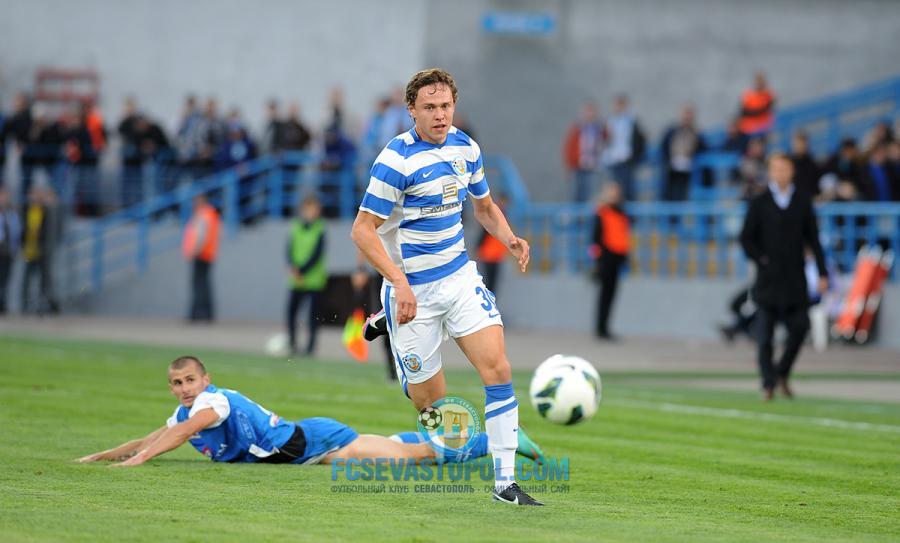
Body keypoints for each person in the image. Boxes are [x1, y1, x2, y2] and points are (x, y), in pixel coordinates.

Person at [350, 68, 542, 506]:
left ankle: (505, 484)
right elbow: (362, 230)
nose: (439, 115)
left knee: (498, 369)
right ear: (412, 110)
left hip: (458, 279)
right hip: (411, 291)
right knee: (431, 407)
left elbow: (484, 207)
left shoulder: (466, 148)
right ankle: (391, 323)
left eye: (446, 106)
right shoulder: (395, 160)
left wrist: (509, 238)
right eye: (430, 107)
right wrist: (399, 284)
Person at [77, 356, 545, 467]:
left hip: (308, 442)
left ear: (204, 380)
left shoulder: (211, 403)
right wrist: (104, 456)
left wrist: (140, 462)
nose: (183, 389)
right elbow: (152, 437)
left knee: (410, 457)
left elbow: (179, 436)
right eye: (177, 383)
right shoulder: (188, 410)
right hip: (304, 445)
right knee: (390, 449)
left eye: (189, 381)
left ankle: (499, 441)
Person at [740, 152, 828, 401]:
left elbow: (813, 239)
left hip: (794, 279)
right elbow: (746, 238)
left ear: (792, 172)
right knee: (765, 337)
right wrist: (762, 259)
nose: (781, 174)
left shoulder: (802, 201)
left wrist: (822, 272)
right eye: (776, 169)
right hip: (768, 281)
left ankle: (782, 372)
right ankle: (768, 383)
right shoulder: (760, 202)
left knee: (800, 328)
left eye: (785, 169)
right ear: (770, 172)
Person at [286, 196, 327, 356]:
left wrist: (302, 270)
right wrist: (293, 266)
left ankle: (310, 347)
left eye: (315, 209)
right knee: (291, 312)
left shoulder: (320, 229)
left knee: (313, 315)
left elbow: (317, 254)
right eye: (310, 209)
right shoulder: (296, 227)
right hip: (296, 279)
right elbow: (289, 249)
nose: (313, 212)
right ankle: (292, 343)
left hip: (314, 280)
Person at [590, 183, 630, 340]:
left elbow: (623, 236)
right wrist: (597, 261)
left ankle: (606, 327)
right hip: (606, 258)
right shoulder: (601, 213)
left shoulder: (621, 213)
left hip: (617, 258)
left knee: (612, 295)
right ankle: (601, 328)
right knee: (604, 295)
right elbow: (595, 240)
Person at [20, 186, 61, 314]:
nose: (35, 197)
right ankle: (25, 305)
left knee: (44, 280)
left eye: (37, 194)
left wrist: (46, 248)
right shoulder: (26, 209)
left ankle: (42, 305)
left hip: (42, 251)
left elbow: (50, 231)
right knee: (26, 279)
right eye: (32, 194)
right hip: (29, 251)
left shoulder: (46, 210)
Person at [182, 193, 220, 322]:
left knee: (199, 285)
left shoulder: (203, 214)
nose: (194, 203)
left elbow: (201, 236)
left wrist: (195, 251)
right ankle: (206, 313)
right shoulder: (210, 213)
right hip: (207, 254)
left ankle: (197, 313)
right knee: (204, 284)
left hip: (201, 254)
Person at [602, 94, 645, 201]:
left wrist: (635, 157)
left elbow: (639, 140)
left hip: (627, 160)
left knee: (628, 188)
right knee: (614, 188)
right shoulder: (610, 122)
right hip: (613, 160)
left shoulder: (631, 121)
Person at [660, 104, 706, 201]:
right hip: (673, 168)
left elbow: (703, 148)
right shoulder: (672, 131)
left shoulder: (696, 133)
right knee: (671, 192)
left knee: (684, 192)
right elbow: (664, 146)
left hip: (689, 168)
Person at [562, 102, 604, 203]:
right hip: (579, 165)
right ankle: (577, 212)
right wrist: (568, 164)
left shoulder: (598, 128)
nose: (589, 114)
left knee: (591, 192)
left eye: (591, 111)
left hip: (593, 166)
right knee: (577, 192)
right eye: (587, 111)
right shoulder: (577, 129)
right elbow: (569, 147)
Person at [0, 187, 21, 314]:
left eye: (5, 196)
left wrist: (16, 248)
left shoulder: (12, 213)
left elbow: (16, 231)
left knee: (6, 280)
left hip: (9, 252)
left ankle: (3, 304)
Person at [737, 72, 776, 137]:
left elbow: (766, 109)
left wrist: (752, 112)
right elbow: (743, 112)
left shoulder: (768, 95)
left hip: (763, 126)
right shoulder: (748, 95)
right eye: (757, 81)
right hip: (747, 127)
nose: (758, 83)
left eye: (760, 81)